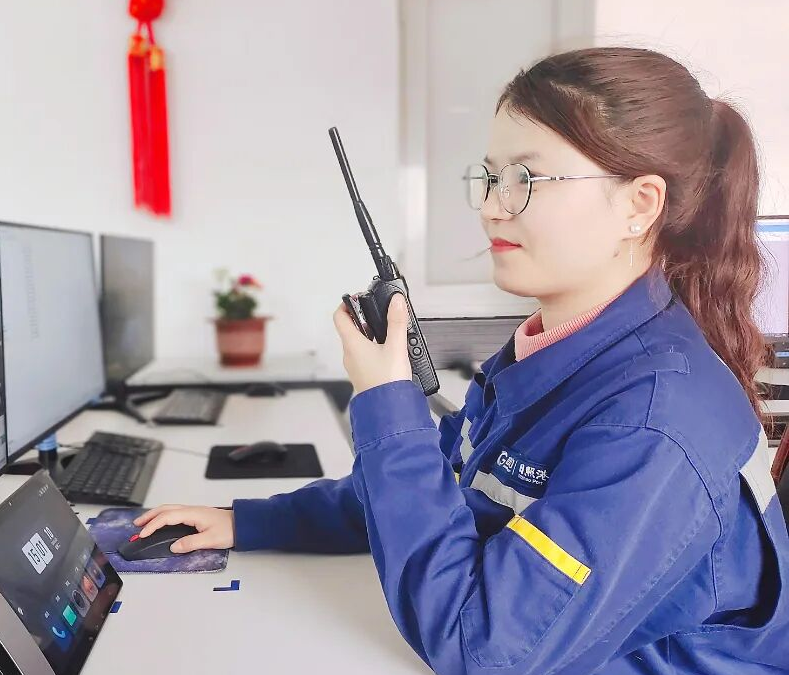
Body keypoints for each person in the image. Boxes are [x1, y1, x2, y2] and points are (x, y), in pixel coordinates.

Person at [134, 47, 789, 673]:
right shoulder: (549, 353)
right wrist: (250, 521)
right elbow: (439, 488)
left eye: (526, 179)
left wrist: (388, 405)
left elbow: (482, 646)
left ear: (638, 205)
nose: (490, 206)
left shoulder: (654, 421)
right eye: (491, 177)